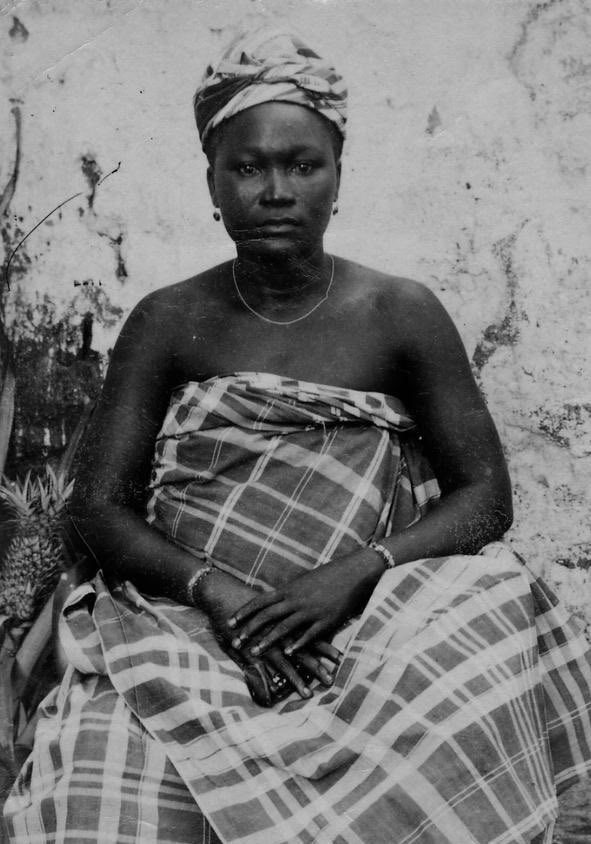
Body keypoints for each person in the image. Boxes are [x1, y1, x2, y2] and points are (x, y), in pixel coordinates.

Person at [4, 29, 591, 844]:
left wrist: (352, 578)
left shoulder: (399, 314)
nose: (275, 190)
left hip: (364, 619)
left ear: (337, 179)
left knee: (487, 603)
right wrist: (221, 596)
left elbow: (486, 499)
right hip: (184, 618)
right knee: (98, 785)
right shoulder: (170, 320)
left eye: (302, 165)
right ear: (211, 182)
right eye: (246, 168)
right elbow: (99, 509)